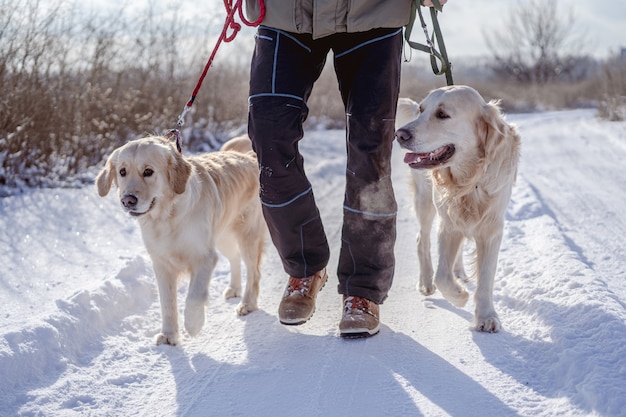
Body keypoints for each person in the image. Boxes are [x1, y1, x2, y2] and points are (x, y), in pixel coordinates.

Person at [245, 0, 446, 338]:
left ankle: (362, 289)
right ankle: (305, 267)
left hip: (375, 11)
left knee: (370, 150)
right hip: (284, 12)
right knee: (269, 137)